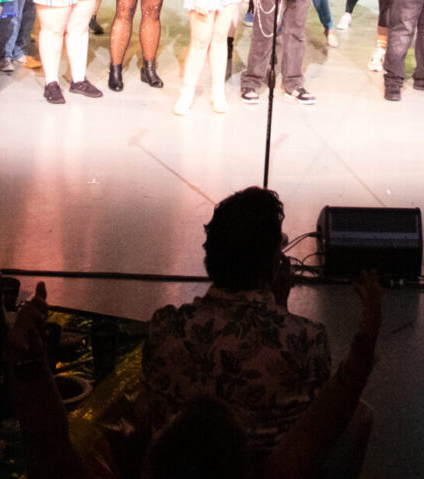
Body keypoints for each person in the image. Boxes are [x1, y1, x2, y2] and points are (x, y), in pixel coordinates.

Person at [140, 188, 337, 459]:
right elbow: (306, 435)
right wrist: (279, 308)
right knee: (358, 415)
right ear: (273, 264)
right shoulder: (307, 341)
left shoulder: (163, 329)